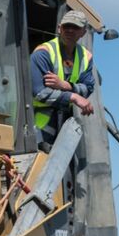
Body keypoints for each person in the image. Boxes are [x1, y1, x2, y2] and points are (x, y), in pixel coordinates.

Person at [30, 10, 96, 142]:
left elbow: (88, 88)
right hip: (38, 126)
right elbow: (39, 93)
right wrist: (73, 96)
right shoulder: (43, 53)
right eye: (67, 26)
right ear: (60, 28)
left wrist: (64, 85)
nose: (70, 30)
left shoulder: (86, 57)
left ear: (83, 31)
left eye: (75, 27)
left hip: (65, 126)